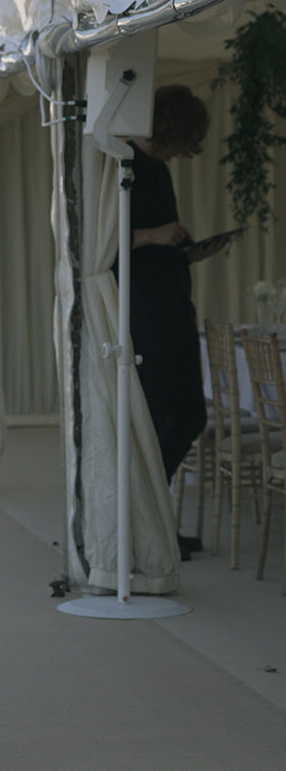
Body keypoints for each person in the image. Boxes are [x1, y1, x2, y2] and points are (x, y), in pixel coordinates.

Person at [125, 84, 228, 554]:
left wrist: (189, 253)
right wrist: (155, 234)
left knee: (188, 416)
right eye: (186, 139)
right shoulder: (124, 165)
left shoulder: (159, 169)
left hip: (174, 307)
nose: (187, 151)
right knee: (158, 419)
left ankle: (152, 517)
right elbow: (101, 243)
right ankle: (143, 523)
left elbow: (159, 248)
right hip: (146, 314)